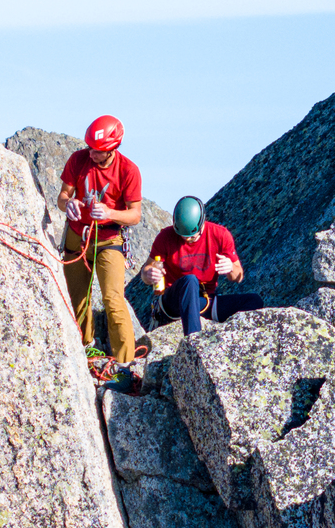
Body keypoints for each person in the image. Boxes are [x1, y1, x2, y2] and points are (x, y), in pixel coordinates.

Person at [59, 114, 143, 365]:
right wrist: (68, 204)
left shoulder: (128, 171)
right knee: (78, 296)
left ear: (112, 149)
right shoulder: (78, 159)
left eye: (98, 151)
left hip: (108, 239)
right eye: (90, 148)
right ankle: (85, 348)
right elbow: (63, 195)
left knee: (113, 298)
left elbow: (135, 215)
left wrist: (109, 213)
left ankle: (125, 363)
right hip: (78, 237)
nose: (92, 154)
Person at [142, 195, 263, 336]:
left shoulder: (220, 235)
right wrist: (149, 274)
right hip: (173, 303)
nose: (187, 239)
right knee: (190, 280)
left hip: (205, 302)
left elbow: (238, 276)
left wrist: (230, 268)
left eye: (192, 236)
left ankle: (231, 342)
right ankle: (193, 341)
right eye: (182, 235)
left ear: (202, 224)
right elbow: (145, 272)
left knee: (254, 301)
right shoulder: (165, 237)